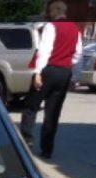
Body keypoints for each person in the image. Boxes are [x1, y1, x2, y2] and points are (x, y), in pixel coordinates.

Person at [20, 1, 82, 159]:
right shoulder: (75, 29)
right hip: (64, 73)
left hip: (49, 69)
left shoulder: (51, 27)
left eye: (51, 10)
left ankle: (27, 140)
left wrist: (38, 73)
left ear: (57, 10)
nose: (50, 13)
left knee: (31, 105)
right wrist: (75, 77)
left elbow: (44, 51)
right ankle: (47, 149)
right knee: (52, 113)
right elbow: (78, 56)